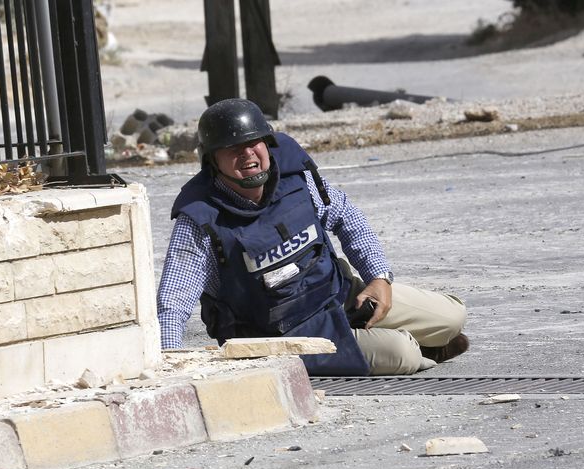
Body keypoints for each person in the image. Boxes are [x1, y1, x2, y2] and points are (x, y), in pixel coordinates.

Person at [157, 98, 469, 375]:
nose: (247, 153)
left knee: (452, 317)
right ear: (212, 160)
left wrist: (378, 278)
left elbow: (348, 217)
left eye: (255, 143)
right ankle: (413, 349)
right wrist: (170, 362)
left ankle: (389, 337)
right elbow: (173, 300)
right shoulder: (200, 220)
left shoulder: (295, 179)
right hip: (284, 336)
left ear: (267, 144)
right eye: (232, 149)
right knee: (404, 353)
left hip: (340, 294)